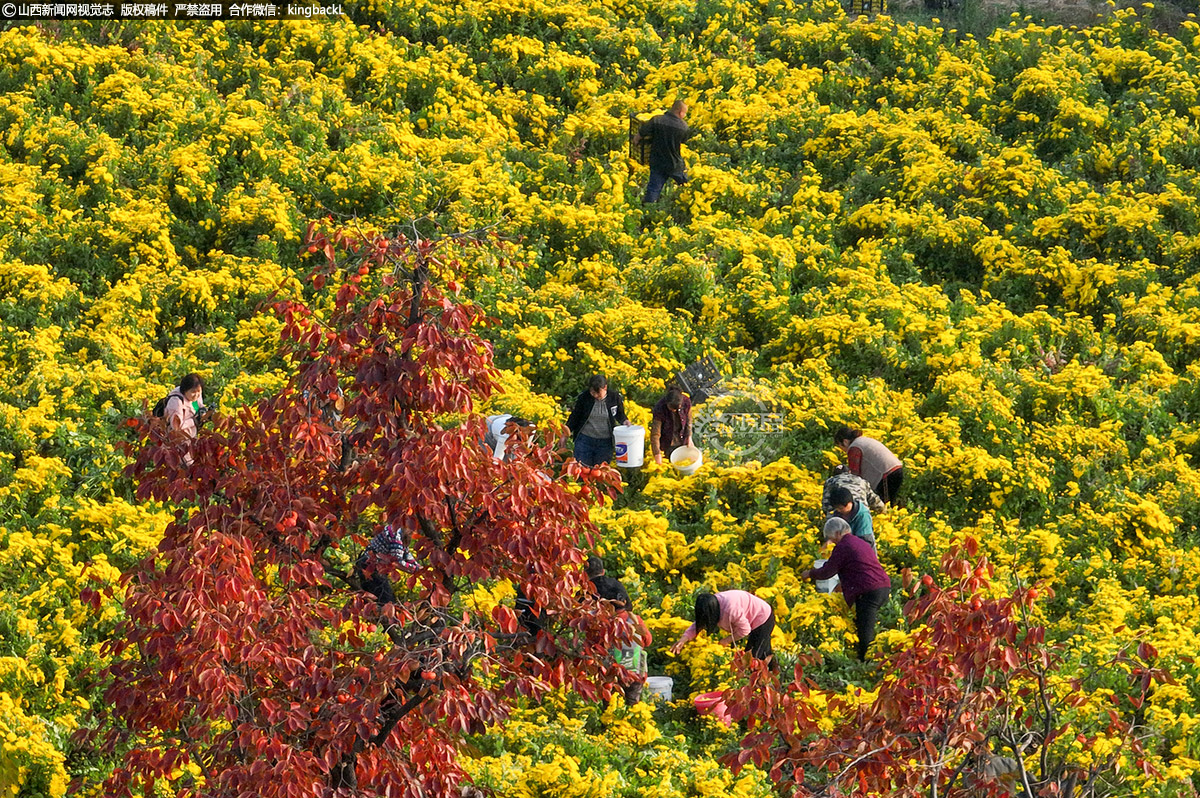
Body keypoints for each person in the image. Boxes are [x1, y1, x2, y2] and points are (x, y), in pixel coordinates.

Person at [801, 518, 892, 661]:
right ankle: (871, 658)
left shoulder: (844, 546)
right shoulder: (859, 542)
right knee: (865, 624)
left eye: (832, 538)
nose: (832, 542)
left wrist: (810, 574)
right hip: (882, 586)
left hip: (869, 590)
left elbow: (828, 571)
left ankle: (868, 665)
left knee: (865, 633)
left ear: (838, 533)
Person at [586, 556, 650, 703]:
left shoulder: (598, 625)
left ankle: (608, 723)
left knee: (609, 705)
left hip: (609, 675)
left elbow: (591, 646)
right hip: (635, 675)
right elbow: (647, 640)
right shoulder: (634, 620)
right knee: (632, 704)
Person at [670, 589, 774, 663]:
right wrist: (683, 640)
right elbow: (699, 622)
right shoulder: (711, 605)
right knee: (763, 653)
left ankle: (759, 688)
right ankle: (775, 672)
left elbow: (745, 629)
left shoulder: (731, 610)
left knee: (752, 659)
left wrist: (726, 640)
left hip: (763, 617)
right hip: (752, 616)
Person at [632, 100, 695, 204]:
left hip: (657, 162)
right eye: (685, 113)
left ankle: (648, 211)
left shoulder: (656, 120)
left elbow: (640, 134)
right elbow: (683, 140)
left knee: (653, 189)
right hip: (674, 163)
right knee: (686, 185)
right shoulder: (683, 127)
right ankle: (689, 203)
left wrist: (636, 140)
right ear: (680, 112)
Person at [566, 375, 629, 468]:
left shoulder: (615, 397)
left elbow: (620, 414)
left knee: (600, 472)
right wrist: (565, 433)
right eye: (592, 392)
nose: (595, 395)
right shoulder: (584, 398)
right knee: (581, 469)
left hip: (605, 442)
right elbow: (575, 417)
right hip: (585, 440)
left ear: (605, 388)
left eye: (598, 393)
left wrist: (625, 421)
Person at [834, 426, 904, 505]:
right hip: (896, 468)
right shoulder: (862, 440)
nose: (843, 450)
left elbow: (854, 475)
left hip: (886, 474)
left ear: (845, 441)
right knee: (889, 502)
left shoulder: (854, 448)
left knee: (884, 505)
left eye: (840, 446)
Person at [354, 526, 421, 606]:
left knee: (378, 602)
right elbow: (397, 562)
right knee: (386, 601)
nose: (413, 532)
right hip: (370, 567)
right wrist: (416, 570)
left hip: (373, 567)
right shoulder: (395, 535)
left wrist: (418, 567)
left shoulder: (399, 532)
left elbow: (406, 553)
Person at [650, 386, 693, 465]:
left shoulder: (686, 402)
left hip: (682, 439)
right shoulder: (660, 408)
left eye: (676, 409)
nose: (674, 411)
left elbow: (689, 421)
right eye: (671, 408)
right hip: (667, 442)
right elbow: (655, 433)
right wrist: (657, 453)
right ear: (667, 403)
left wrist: (689, 437)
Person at [162, 373, 207, 439]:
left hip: (192, 436)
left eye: (199, 391)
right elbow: (176, 427)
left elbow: (200, 406)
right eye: (193, 392)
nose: (196, 395)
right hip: (179, 440)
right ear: (185, 390)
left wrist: (205, 413)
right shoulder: (176, 402)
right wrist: (195, 421)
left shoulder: (195, 396)